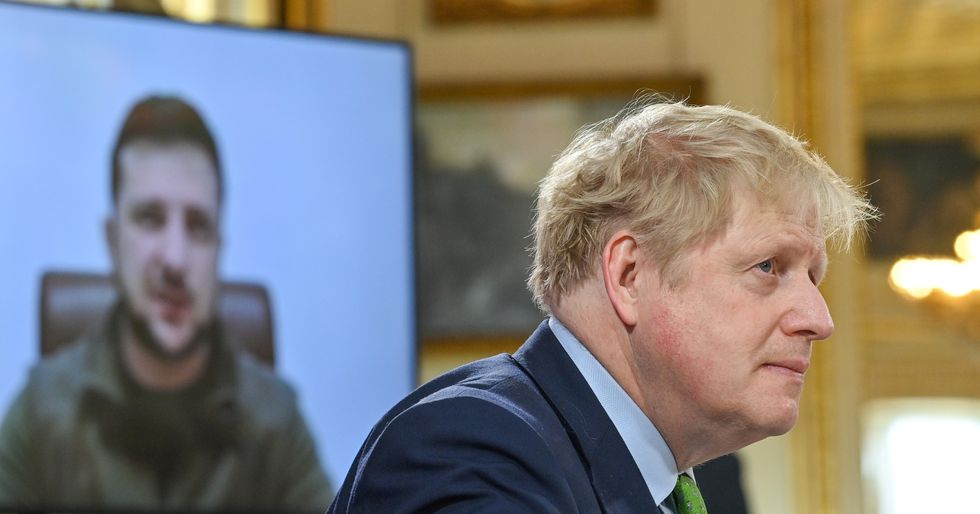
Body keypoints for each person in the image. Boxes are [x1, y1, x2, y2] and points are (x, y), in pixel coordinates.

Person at [329, 99, 877, 513]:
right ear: (629, 275)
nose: (819, 319)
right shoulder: (472, 455)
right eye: (768, 267)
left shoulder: (653, 480)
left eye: (814, 277)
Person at [0, 96, 332, 512]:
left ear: (219, 251)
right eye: (150, 219)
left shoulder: (278, 425)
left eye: (198, 226)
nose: (175, 259)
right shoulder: (39, 415)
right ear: (111, 240)